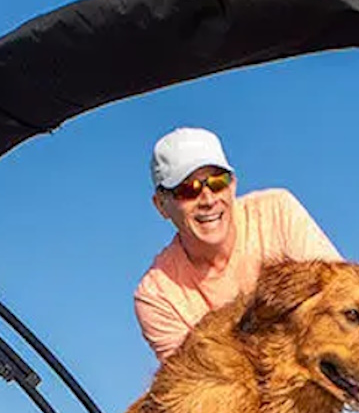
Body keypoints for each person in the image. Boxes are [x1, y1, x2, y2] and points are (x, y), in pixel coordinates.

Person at [133, 127, 343, 361]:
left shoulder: (277, 211)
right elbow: (194, 377)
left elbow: (341, 298)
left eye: (217, 182)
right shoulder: (157, 296)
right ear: (161, 205)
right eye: (187, 190)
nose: (208, 200)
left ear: (233, 184)